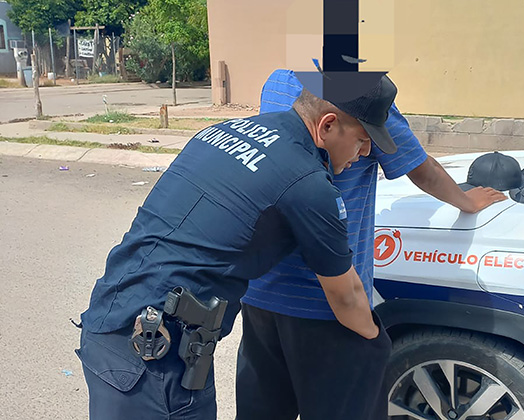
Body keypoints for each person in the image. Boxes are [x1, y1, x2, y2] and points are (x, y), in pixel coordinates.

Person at [75, 73, 405, 420]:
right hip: (155, 360)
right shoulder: (308, 184)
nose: (366, 152)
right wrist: (375, 341)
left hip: (110, 326)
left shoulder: (221, 132)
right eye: (363, 139)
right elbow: (346, 297)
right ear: (327, 126)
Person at [236, 69, 507, 420]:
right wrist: (467, 202)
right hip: (328, 304)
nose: (363, 152)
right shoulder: (361, 99)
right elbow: (419, 168)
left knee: (263, 410)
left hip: (261, 293)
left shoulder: (278, 82)